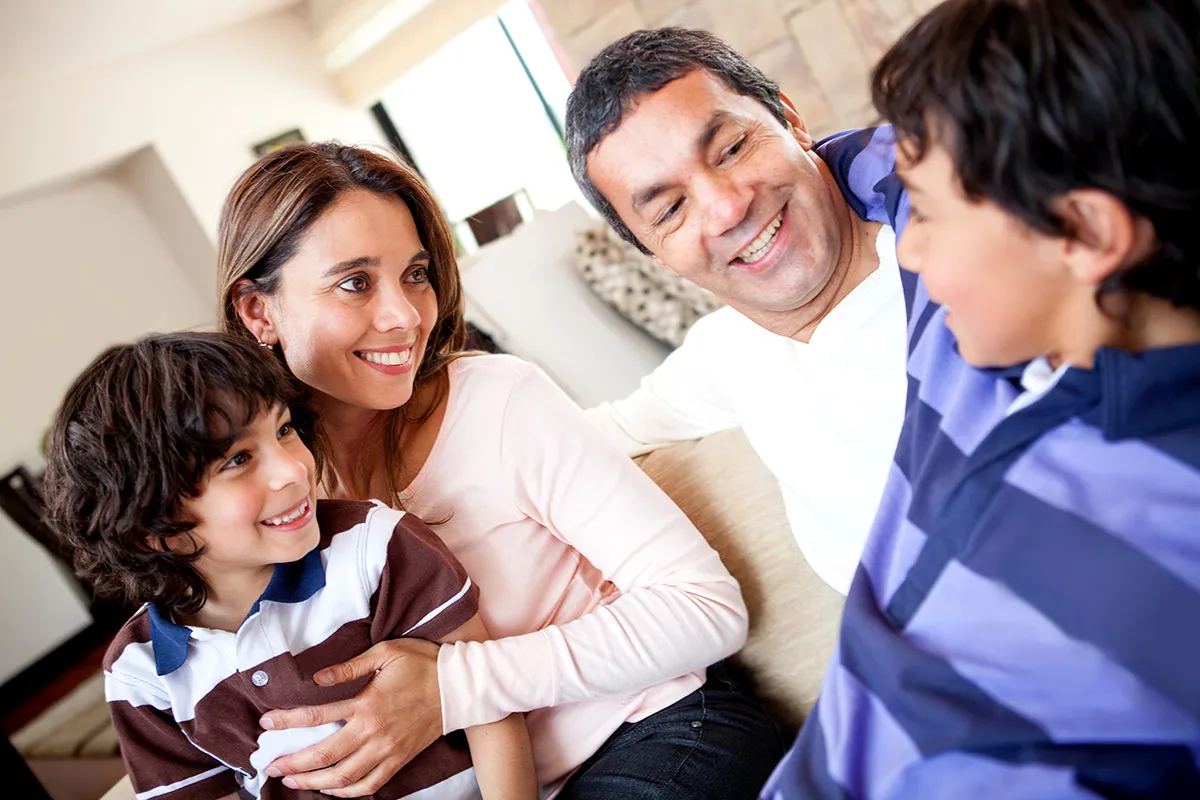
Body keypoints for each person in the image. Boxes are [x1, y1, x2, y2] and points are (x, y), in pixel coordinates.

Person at [214, 142, 784, 798]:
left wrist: (450, 688)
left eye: (416, 274)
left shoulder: (496, 401)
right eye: (355, 281)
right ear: (259, 310)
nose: (404, 315)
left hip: (657, 727)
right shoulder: (266, 496)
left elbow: (705, 608)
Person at [764, 0, 1200, 796]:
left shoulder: (1163, 528)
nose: (909, 247)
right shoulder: (1035, 361)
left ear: (1088, 235)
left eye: (925, 213)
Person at [42, 332, 537, 799]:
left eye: (283, 430)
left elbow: (489, 700)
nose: (292, 470)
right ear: (153, 529)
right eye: (237, 460)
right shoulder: (140, 675)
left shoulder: (375, 547)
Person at [565, 28, 908, 595]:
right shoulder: (726, 352)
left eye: (731, 149)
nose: (726, 208)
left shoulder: (958, 249)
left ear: (790, 120)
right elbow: (581, 440)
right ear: (656, 255)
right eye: (672, 208)